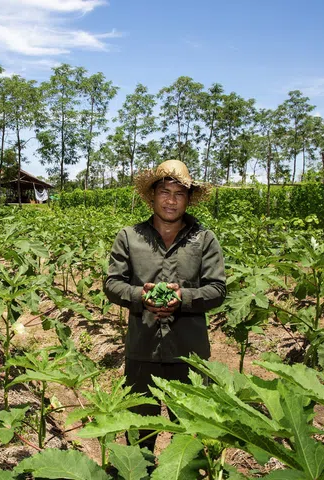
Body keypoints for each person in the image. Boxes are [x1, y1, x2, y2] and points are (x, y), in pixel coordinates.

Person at [104, 159, 226, 452]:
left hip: (189, 357)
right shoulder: (129, 237)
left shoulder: (204, 239)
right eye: (165, 192)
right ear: (153, 195)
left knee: (189, 436)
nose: (171, 201)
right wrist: (141, 297)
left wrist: (182, 298)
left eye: (179, 193)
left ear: (188, 199)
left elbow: (218, 290)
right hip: (142, 351)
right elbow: (112, 284)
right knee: (138, 433)